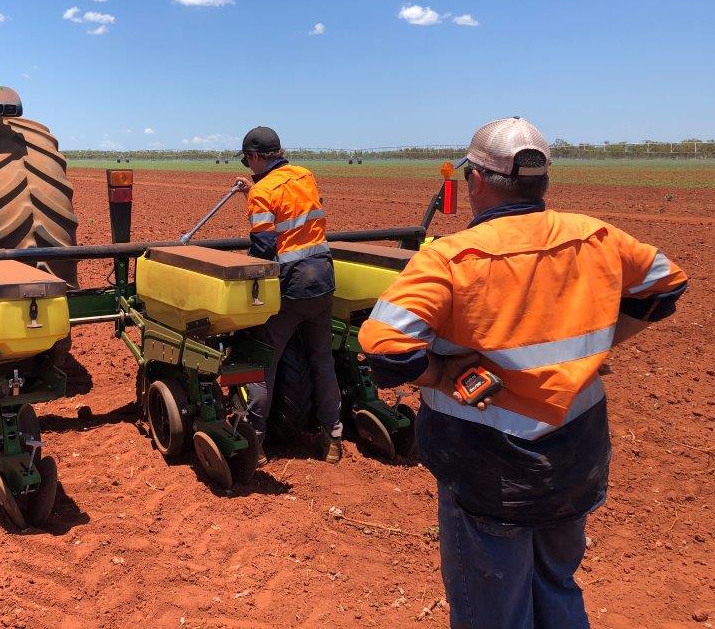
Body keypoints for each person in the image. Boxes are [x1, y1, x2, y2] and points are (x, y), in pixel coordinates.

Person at [358, 116, 688, 629]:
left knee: (494, 610)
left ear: (476, 180)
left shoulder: (450, 259)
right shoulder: (594, 236)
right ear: (543, 181)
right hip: (576, 458)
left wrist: (443, 375)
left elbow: (386, 352)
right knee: (556, 585)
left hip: (489, 471)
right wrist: (601, 343)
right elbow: (665, 286)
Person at [235, 126, 344, 464]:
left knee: (262, 362)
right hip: (323, 279)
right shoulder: (305, 176)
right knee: (322, 360)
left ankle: (255, 444)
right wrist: (252, 191)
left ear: (254, 157)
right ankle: (332, 439)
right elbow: (292, 213)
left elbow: (265, 248)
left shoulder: (262, 192)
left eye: (247, 161)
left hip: (292, 287)